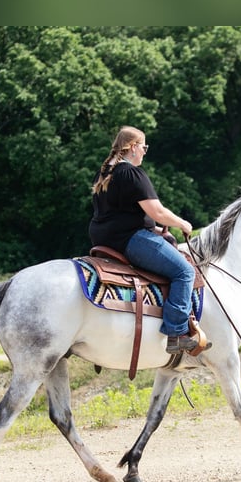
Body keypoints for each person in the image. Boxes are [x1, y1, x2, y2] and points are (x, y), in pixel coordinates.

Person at [89, 126, 211, 354]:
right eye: (144, 147)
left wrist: (154, 228)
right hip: (128, 239)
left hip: (106, 238)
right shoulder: (132, 173)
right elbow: (157, 211)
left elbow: (120, 213)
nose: (145, 152)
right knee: (185, 272)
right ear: (133, 147)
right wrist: (182, 223)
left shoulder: (104, 172)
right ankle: (177, 333)